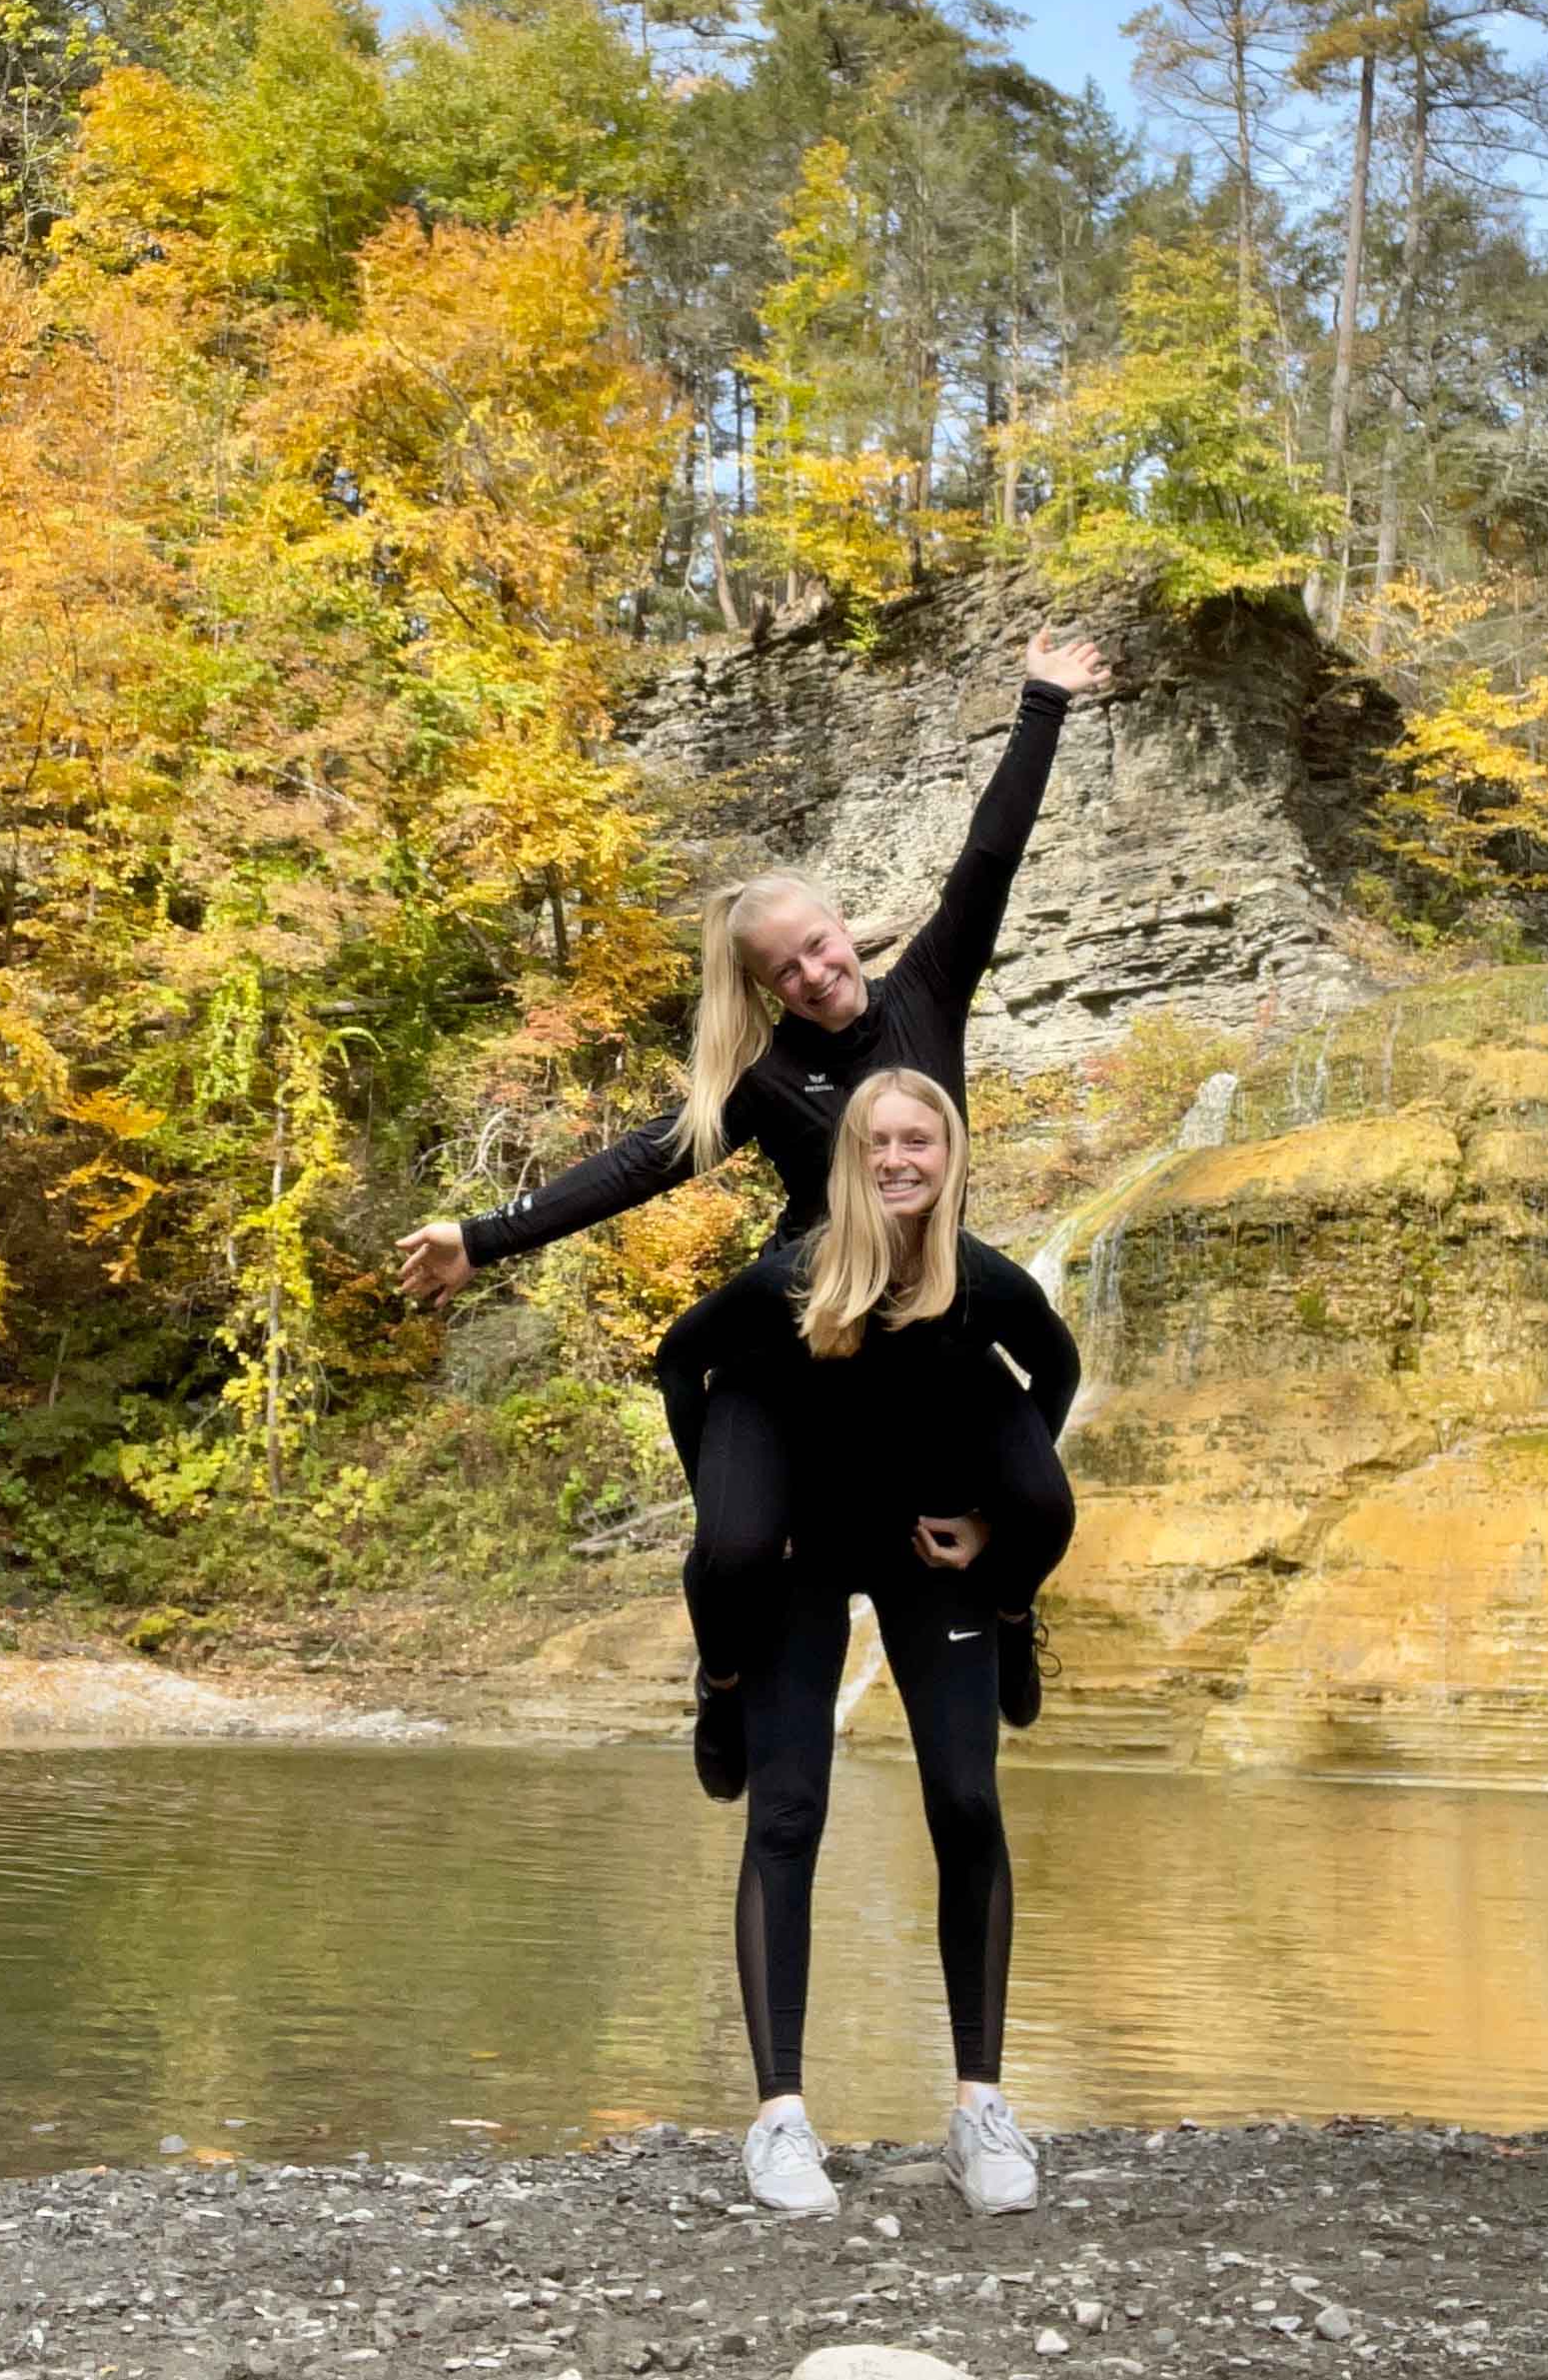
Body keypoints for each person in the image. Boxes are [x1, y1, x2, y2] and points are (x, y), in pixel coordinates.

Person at [398, 626, 1108, 1787]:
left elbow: (990, 856)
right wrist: (484, 1235)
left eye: (821, 947)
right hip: (817, 1319)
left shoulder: (928, 985)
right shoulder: (765, 1076)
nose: (817, 975)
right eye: (788, 970)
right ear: (766, 985)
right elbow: (638, 1164)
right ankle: (724, 1679)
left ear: (842, 928)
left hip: (938, 1300)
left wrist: (1043, 700)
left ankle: (1014, 1611)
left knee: (1033, 1495)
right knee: (736, 1541)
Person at [701, 1068, 1077, 2220]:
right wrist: (726, 1515)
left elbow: (1055, 1370)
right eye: (879, 1141)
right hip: (801, 1559)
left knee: (966, 1801)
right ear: (849, 1159)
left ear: (950, 1155)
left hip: (927, 1556)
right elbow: (684, 1360)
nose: (900, 1158)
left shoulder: (986, 1280)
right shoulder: (789, 1275)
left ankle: (980, 2109)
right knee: (788, 1812)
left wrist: (992, 1519)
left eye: (922, 1140)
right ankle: (779, 2120)